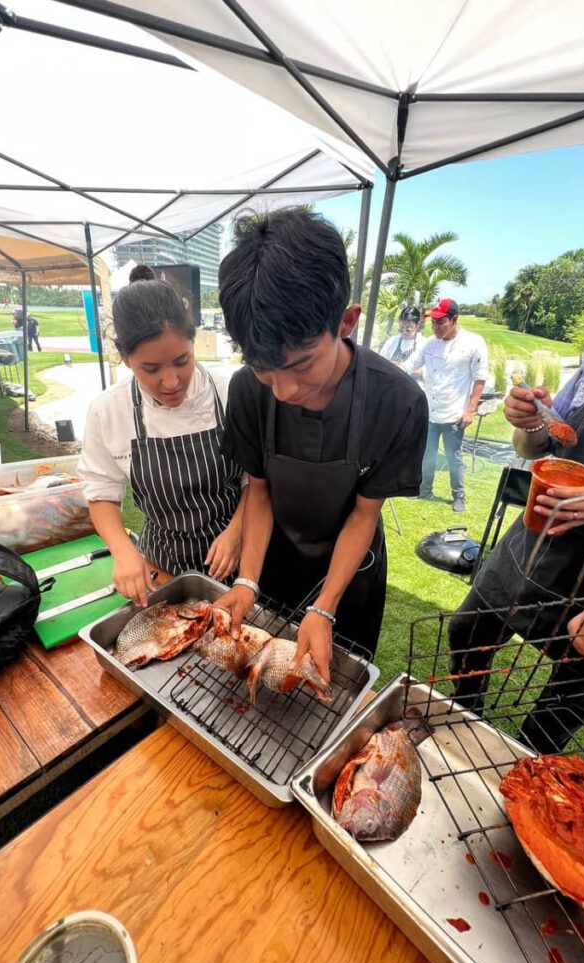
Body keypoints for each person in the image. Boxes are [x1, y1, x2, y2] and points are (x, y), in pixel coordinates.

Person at [214, 209, 428, 677]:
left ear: (346, 322)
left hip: (349, 576)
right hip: (274, 559)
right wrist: (247, 579)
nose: (284, 391)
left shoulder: (399, 402)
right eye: (263, 366)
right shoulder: (248, 390)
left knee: (326, 688)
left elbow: (364, 513)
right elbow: (260, 489)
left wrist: (325, 607)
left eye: (302, 364)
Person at [449, 325, 584, 751]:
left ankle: (532, 764)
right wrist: (530, 425)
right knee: (467, 630)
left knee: (569, 689)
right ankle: (463, 726)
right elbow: (541, 447)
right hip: (538, 539)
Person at [78, 279, 247, 604]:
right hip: (163, 568)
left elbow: (254, 482)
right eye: (151, 368)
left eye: (183, 361)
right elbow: (102, 493)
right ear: (126, 359)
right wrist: (123, 551)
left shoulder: (231, 393)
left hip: (236, 563)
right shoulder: (108, 410)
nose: (170, 381)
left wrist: (237, 532)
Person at [407, 298, 487, 513]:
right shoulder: (429, 344)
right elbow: (409, 366)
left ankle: (459, 496)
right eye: (433, 323)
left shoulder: (473, 343)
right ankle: (424, 490)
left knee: (454, 457)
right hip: (430, 411)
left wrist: (470, 410)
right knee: (427, 453)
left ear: (454, 319)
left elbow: (480, 380)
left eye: (440, 322)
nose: (435, 328)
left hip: (455, 414)